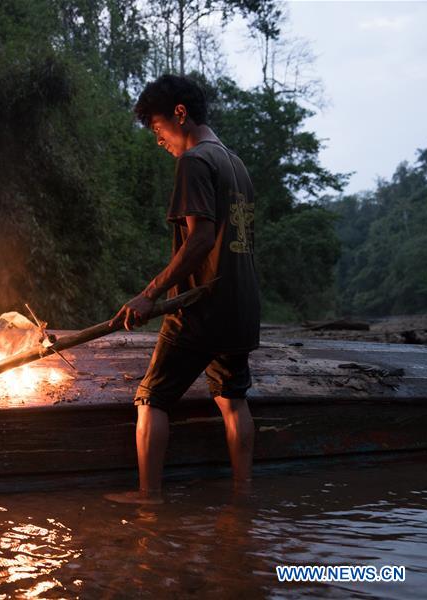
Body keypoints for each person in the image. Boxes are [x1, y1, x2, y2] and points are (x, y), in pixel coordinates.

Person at [106, 74, 260, 504]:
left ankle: (148, 498)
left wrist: (150, 293)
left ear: (180, 114)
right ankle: (243, 496)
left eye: (158, 129)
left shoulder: (195, 161)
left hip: (202, 305)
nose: (159, 141)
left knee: (150, 398)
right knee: (232, 398)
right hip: (242, 306)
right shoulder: (236, 164)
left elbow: (200, 240)